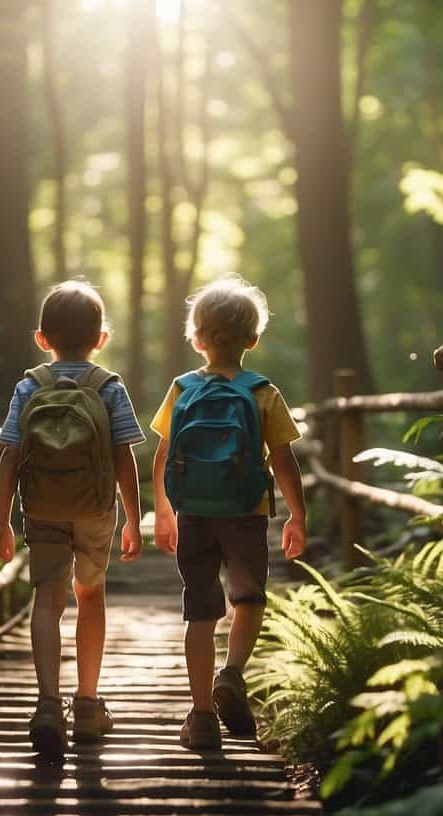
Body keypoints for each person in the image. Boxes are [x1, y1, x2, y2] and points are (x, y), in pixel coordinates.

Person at [150, 274, 307, 750]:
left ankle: (200, 717)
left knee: (200, 612)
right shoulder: (262, 392)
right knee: (248, 597)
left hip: (193, 511)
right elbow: (283, 458)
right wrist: (297, 516)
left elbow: (162, 454)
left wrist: (162, 510)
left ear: (197, 339)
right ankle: (233, 673)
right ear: (253, 339)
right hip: (246, 512)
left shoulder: (182, 388)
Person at [0, 280, 145, 756]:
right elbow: (123, 458)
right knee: (90, 595)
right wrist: (135, 519)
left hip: (41, 508)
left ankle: (48, 705)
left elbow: (11, 456)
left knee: (47, 600)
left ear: (42, 338)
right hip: (96, 509)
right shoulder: (109, 387)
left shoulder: (28, 386)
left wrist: (0, 521)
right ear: (101, 338)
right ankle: (88, 704)